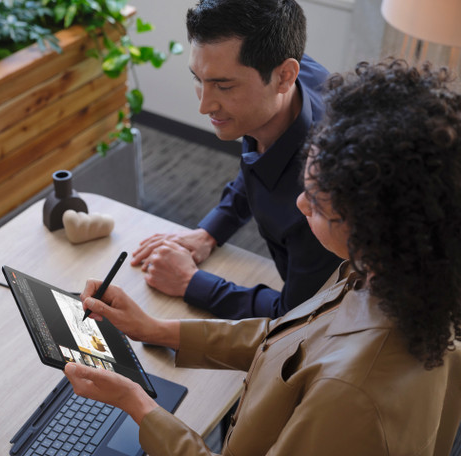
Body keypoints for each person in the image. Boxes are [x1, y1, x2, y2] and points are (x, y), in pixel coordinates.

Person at [65, 59, 461, 455]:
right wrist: (155, 329)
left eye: (320, 205)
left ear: (379, 226)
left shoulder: (347, 396)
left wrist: (137, 405)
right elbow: (291, 339)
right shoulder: (382, 276)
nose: (300, 203)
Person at [131, 0, 341, 319]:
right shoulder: (291, 76)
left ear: (285, 76)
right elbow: (261, 159)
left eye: (224, 86)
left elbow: (301, 315)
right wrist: (210, 232)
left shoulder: (320, 197)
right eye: (198, 79)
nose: (204, 105)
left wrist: (190, 282)